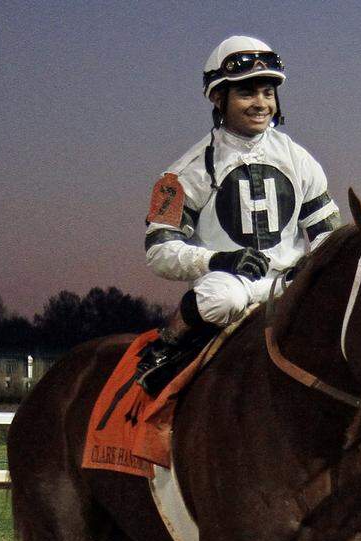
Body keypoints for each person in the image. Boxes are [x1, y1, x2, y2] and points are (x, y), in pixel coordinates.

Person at [138, 35, 340, 392]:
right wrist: (219, 260)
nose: (261, 103)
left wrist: (313, 264)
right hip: (229, 285)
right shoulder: (182, 174)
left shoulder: (301, 159)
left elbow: (328, 233)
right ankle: (167, 346)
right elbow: (158, 251)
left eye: (267, 92)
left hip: (289, 283)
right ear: (219, 97)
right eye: (247, 93)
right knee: (221, 299)